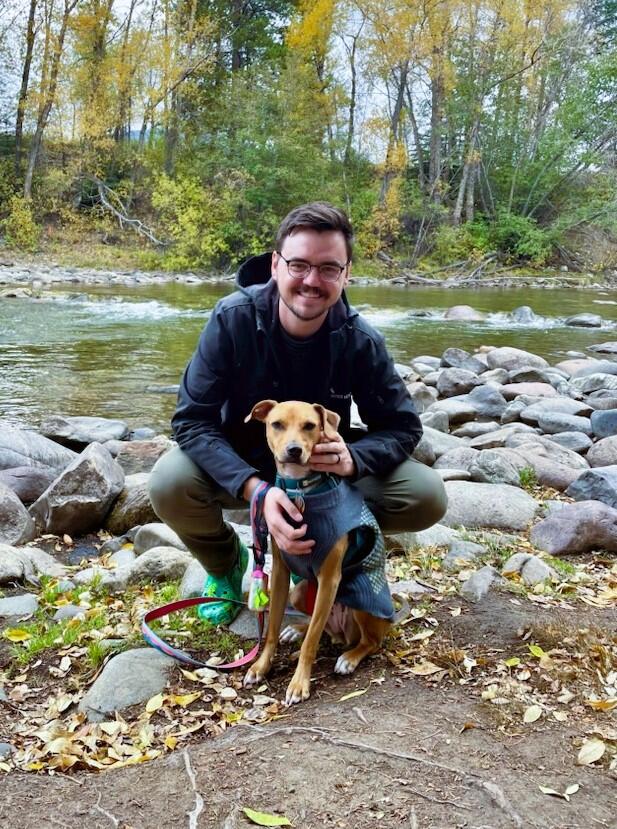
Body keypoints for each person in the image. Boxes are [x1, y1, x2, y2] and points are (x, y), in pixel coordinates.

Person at [148, 202, 447, 625]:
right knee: (169, 481)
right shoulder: (231, 320)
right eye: (299, 265)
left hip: (323, 473)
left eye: (328, 269)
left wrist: (354, 460)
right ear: (275, 265)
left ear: (346, 275)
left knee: (425, 494)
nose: (311, 281)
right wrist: (256, 491)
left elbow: (401, 427)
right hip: (245, 461)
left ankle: (334, 559)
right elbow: (191, 421)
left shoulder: (360, 340)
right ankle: (226, 566)